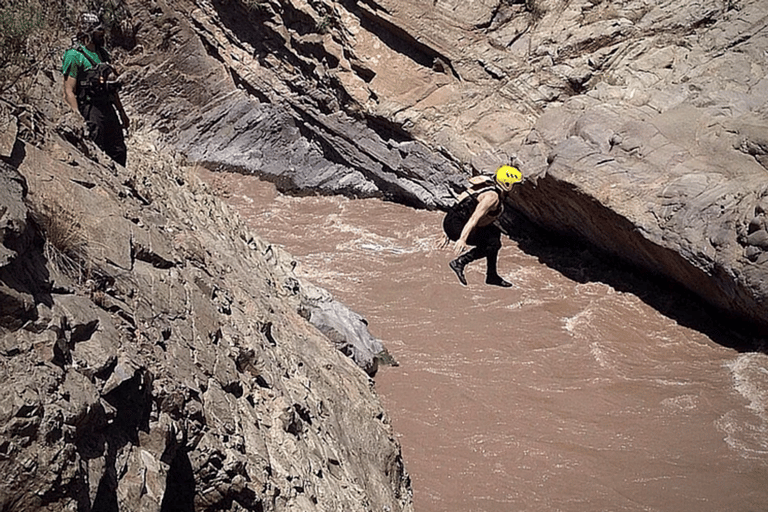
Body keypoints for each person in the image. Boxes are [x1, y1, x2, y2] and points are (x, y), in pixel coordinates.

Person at [62, 12, 129, 166]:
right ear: (88, 32)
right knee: (96, 146)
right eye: (98, 32)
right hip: (90, 108)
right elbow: (68, 90)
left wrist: (122, 112)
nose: (102, 35)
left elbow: (111, 87)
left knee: (119, 150)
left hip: (107, 106)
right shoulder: (74, 55)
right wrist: (77, 116)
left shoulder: (103, 54)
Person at [442, 165, 523, 287]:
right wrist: (462, 239)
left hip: (451, 221)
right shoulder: (492, 197)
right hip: (457, 226)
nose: (517, 189)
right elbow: (474, 218)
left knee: (494, 232)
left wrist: (445, 230)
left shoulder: (487, 185)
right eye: (515, 185)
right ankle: (460, 262)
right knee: (492, 243)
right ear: (507, 184)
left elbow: (461, 201)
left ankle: (492, 275)